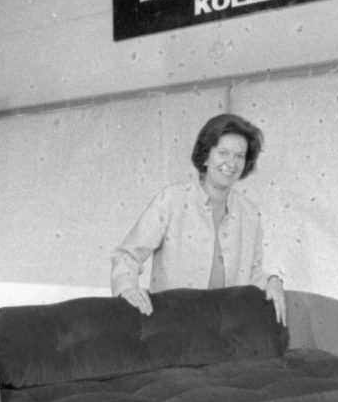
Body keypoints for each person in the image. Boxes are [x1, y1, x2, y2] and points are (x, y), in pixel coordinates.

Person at [110, 113, 286, 323]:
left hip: (227, 326)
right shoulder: (171, 200)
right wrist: (127, 289)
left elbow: (251, 271)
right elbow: (127, 255)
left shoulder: (250, 213)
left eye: (239, 156)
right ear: (205, 156)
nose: (232, 162)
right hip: (173, 323)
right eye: (223, 153)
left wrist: (272, 281)